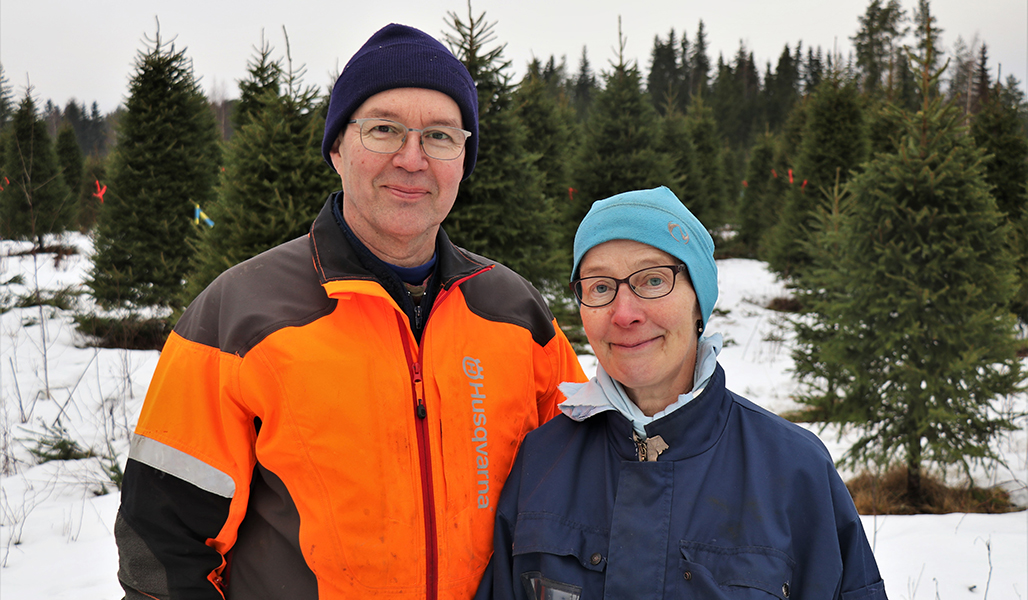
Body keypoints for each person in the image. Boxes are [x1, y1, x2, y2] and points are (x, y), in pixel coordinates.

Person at [114, 23, 585, 600]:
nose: (412, 160)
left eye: (440, 136)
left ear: (463, 160)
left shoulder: (518, 316)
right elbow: (161, 547)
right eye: (384, 130)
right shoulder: (238, 318)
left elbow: (580, 497)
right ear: (338, 148)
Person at [476, 186, 887, 600]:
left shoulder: (795, 470)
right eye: (600, 287)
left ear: (699, 302)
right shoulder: (543, 461)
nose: (625, 314)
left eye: (652, 280)